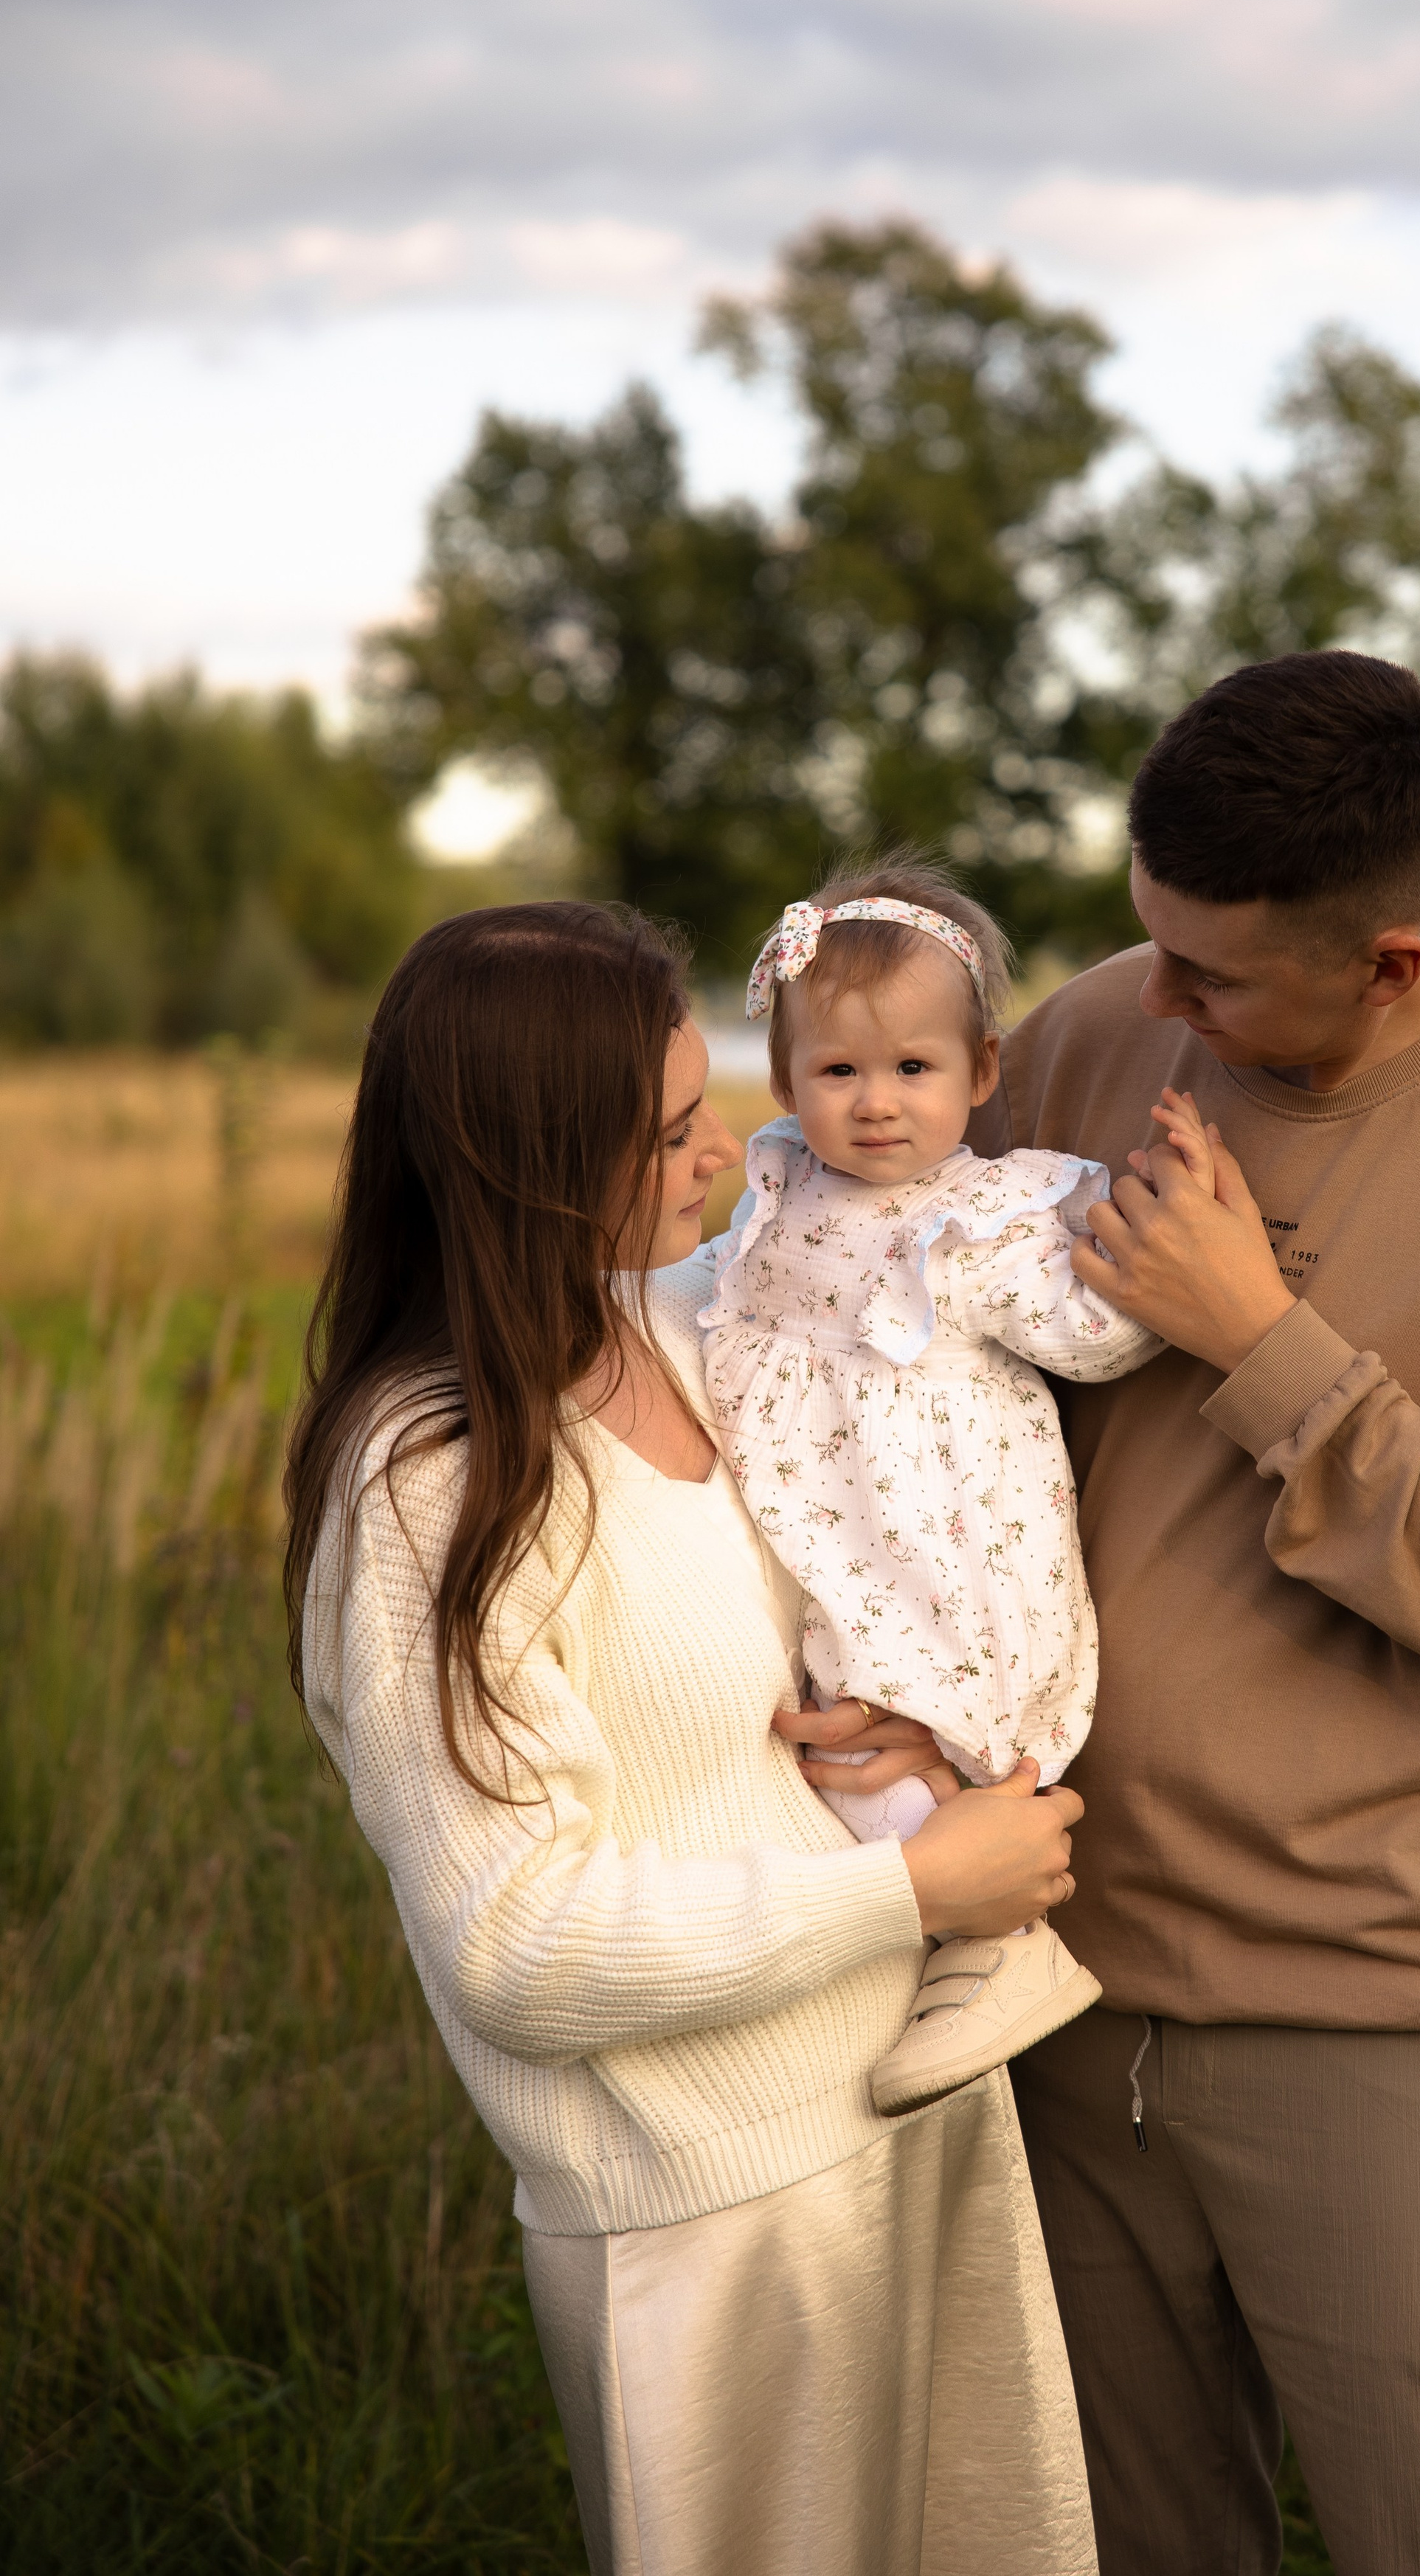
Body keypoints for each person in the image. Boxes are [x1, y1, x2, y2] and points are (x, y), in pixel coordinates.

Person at [968, 651, 1420, 2576]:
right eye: (1149, 947)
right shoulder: (1090, 1033)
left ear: (1387, 955)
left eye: (1211, 976)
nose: (1161, 1015)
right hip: (1055, 1990)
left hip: (1382, 2013)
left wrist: (1260, 1337)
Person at [282, 901, 1099, 2576]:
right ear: (527, 1158)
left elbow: (787, 1629)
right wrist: (915, 1894)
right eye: (663, 1133)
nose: (728, 1154)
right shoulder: (428, 1484)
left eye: (705, 1101)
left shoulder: (685, 1331)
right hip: (710, 2212)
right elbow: (515, 1943)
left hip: (916, 2106)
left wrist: (887, 1711)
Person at [704, 861, 1187, 2114]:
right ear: (787, 1082)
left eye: (913, 1069)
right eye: (839, 1072)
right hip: (821, 1512)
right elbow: (721, 1289)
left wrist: (1160, 1237)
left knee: (920, 1703)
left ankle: (993, 1948)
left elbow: (1093, 1330)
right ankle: (910, 1949)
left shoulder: (984, 1214)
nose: (875, 1105)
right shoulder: (775, 1186)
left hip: (944, 1522)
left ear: (979, 1073)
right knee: (835, 1729)